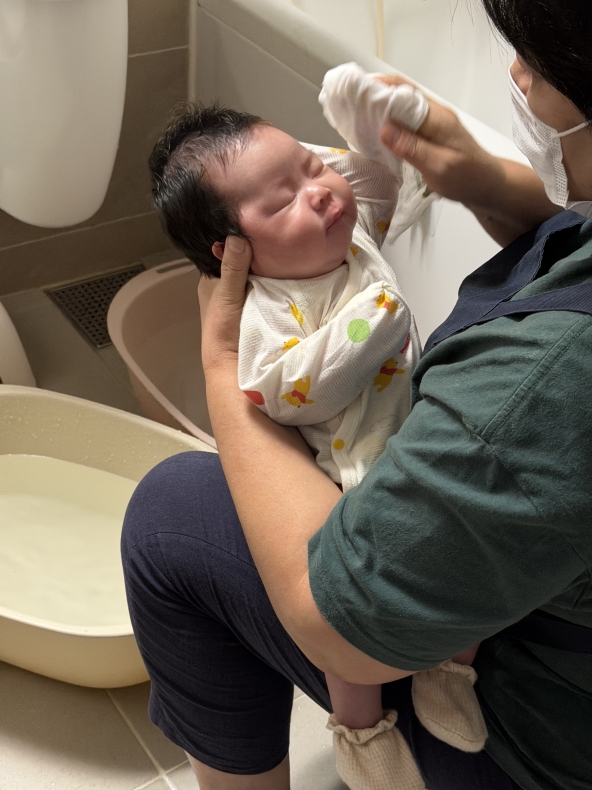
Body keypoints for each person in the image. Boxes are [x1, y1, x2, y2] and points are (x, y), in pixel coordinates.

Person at [121, 1, 592, 789]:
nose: (515, 72)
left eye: (534, 62)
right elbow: (289, 384)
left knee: (170, 515)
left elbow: (334, 620)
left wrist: (219, 363)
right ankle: (363, 727)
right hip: (380, 473)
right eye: (281, 198)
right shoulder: (281, 304)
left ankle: (431, 701)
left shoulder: (546, 378)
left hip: (549, 748)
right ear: (234, 247)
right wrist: (486, 182)